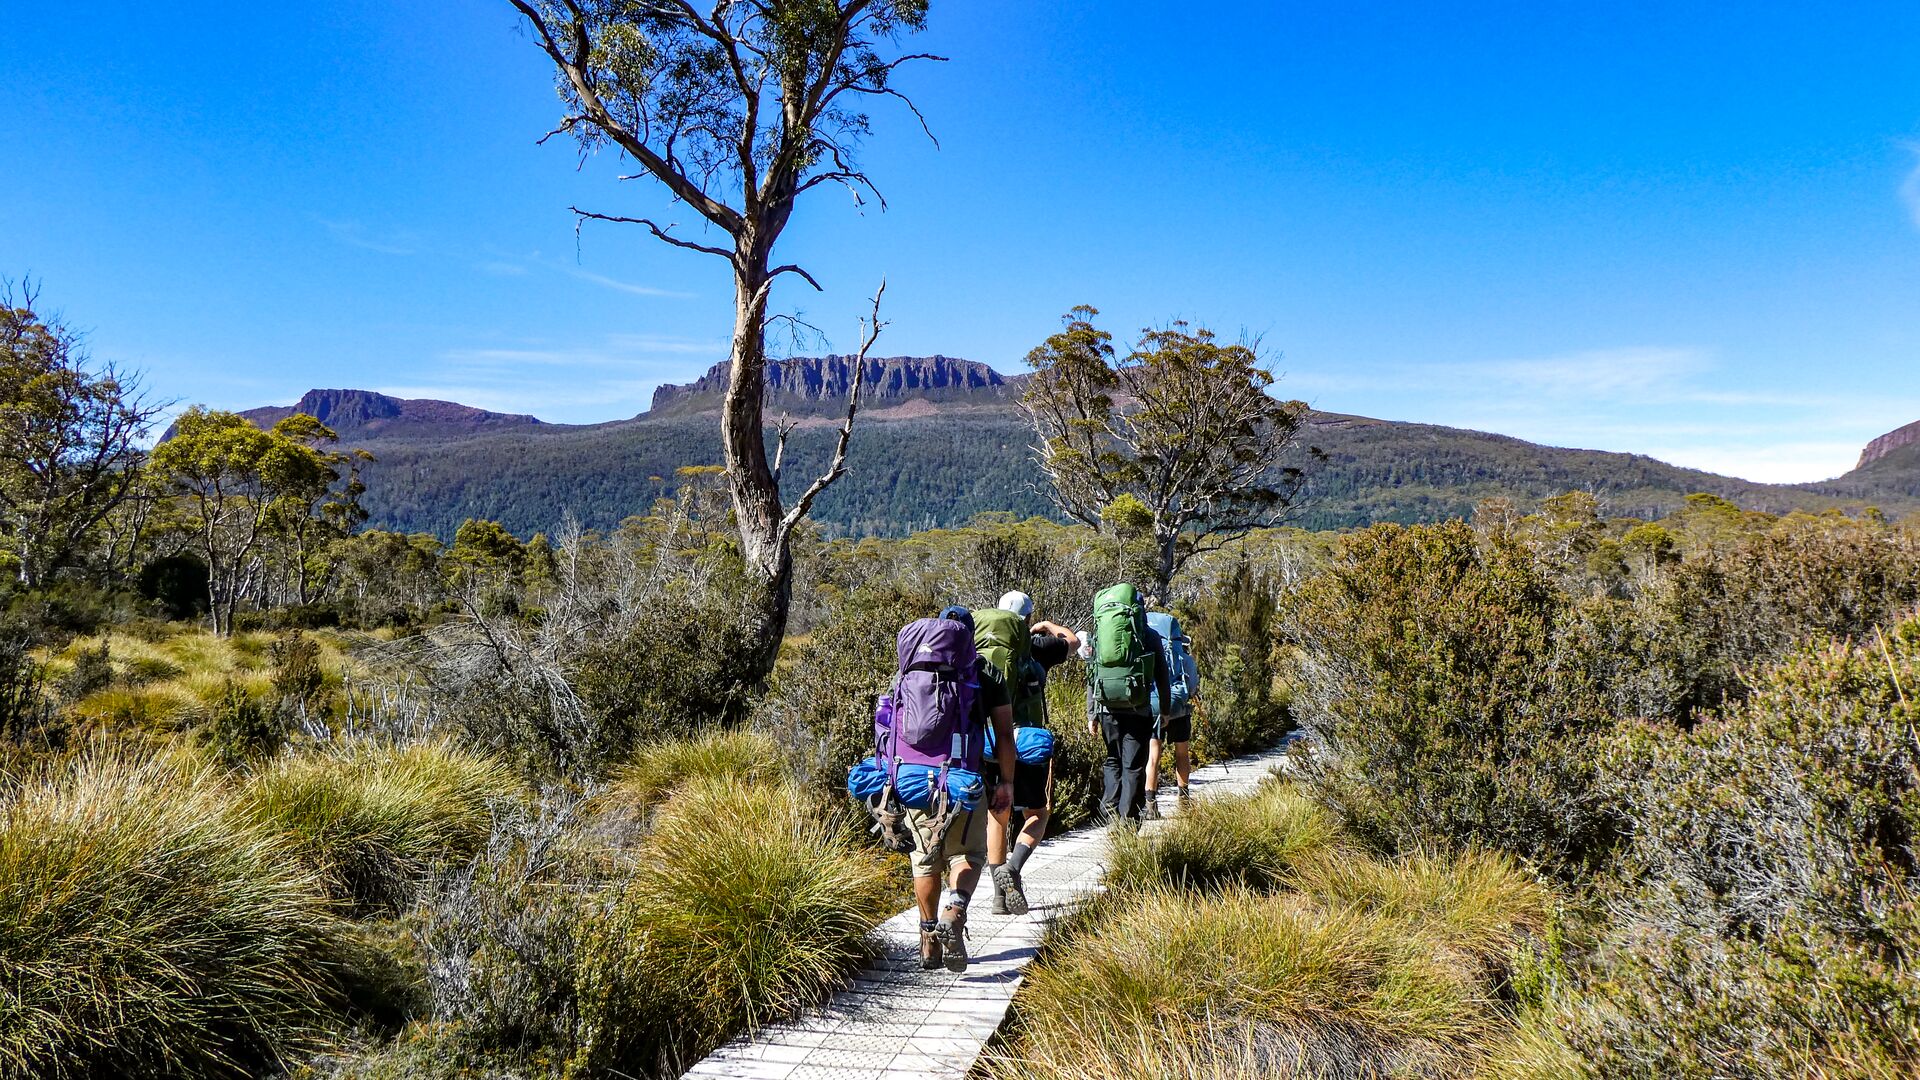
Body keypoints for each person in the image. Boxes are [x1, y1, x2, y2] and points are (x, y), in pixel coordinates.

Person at [909, 606, 1016, 973]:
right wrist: (1006, 782)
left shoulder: (913, 668)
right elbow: (1004, 734)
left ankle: (927, 941)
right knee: (967, 854)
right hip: (962, 780)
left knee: (925, 859)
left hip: (913, 778)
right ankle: (955, 910)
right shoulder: (984, 671)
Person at [984, 590, 1079, 916]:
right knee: (1037, 813)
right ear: (1026, 620)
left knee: (997, 813)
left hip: (991, 742)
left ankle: (998, 896)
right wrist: (1046, 625)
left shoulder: (983, 651)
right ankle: (1013, 866)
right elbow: (1074, 641)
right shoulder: (1038, 647)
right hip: (1028, 742)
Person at [1084, 584, 1172, 825]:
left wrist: (1092, 713)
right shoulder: (1148, 635)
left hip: (1106, 708)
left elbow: (1093, 675)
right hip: (1138, 708)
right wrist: (1165, 710)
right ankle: (1128, 817)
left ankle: (1109, 809)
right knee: (1132, 764)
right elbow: (1162, 675)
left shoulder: (1099, 635)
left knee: (1113, 758)